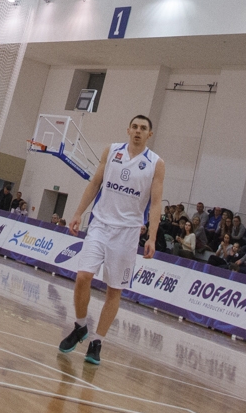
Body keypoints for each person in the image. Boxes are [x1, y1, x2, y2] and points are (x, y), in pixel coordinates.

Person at [55, 115, 165, 365]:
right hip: (100, 225)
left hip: (127, 233)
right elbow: (95, 183)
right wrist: (77, 212)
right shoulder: (112, 151)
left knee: (114, 291)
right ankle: (80, 326)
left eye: (143, 128)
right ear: (128, 129)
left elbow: (156, 203)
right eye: (135, 127)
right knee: (83, 277)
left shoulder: (156, 163)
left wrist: (153, 236)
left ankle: (97, 342)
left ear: (150, 134)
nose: (138, 131)